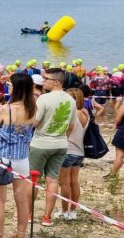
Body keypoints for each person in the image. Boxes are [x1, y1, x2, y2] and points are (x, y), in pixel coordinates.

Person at [0, 73, 35, 238]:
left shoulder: (6, 109)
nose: (8, 87)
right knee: (21, 199)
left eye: (10, 85)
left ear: (16, 88)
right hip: (22, 158)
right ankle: (21, 236)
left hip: (3, 157)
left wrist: (0, 132)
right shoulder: (32, 108)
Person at [29, 68, 77, 227]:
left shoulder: (44, 98)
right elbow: (71, 126)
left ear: (56, 81)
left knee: (34, 180)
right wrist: (62, 137)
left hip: (41, 143)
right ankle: (47, 217)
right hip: (60, 143)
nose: (43, 81)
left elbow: (35, 122)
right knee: (53, 179)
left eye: (46, 78)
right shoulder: (71, 100)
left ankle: (29, 214)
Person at [56, 88, 89, 220]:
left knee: (64, 183)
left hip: (67, 150)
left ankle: (65, 211)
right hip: (80, 151)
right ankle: (73, 210)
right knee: (74, 181)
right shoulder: (85, 113)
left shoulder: (70, 113)